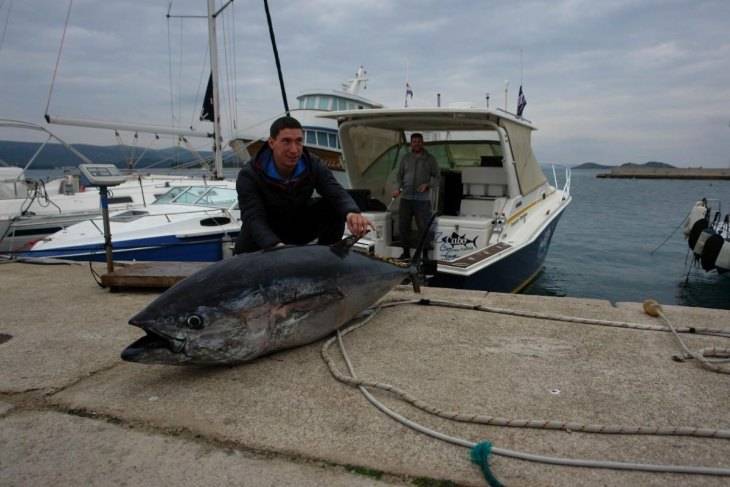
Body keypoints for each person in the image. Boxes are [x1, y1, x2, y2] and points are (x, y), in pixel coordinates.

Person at [234, 116, 373, 254]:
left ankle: (328, 257)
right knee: (253, 229)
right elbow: (253, 218)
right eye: (286, 141)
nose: (294, 150)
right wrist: (275, 246)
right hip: (260, 239)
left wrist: (352, 212)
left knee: (333, 207)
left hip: (296, 228)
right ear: (271, 143)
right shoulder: (249, 175)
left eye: (299, 141)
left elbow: (335, 191)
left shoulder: (312, 164)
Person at [392, 133, 440, 260]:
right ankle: (406, 253)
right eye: (414, 141)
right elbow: (399, 176)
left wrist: (428, 185)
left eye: (419, 141)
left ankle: (424, 255)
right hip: (406, 199)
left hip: (422, 200)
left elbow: (437, 178)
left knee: (424, 228)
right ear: (411, 143)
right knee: (403, 227)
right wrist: (398, 188)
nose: (416, 143)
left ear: (422, 143)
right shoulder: (405, 158)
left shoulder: (430, 159)